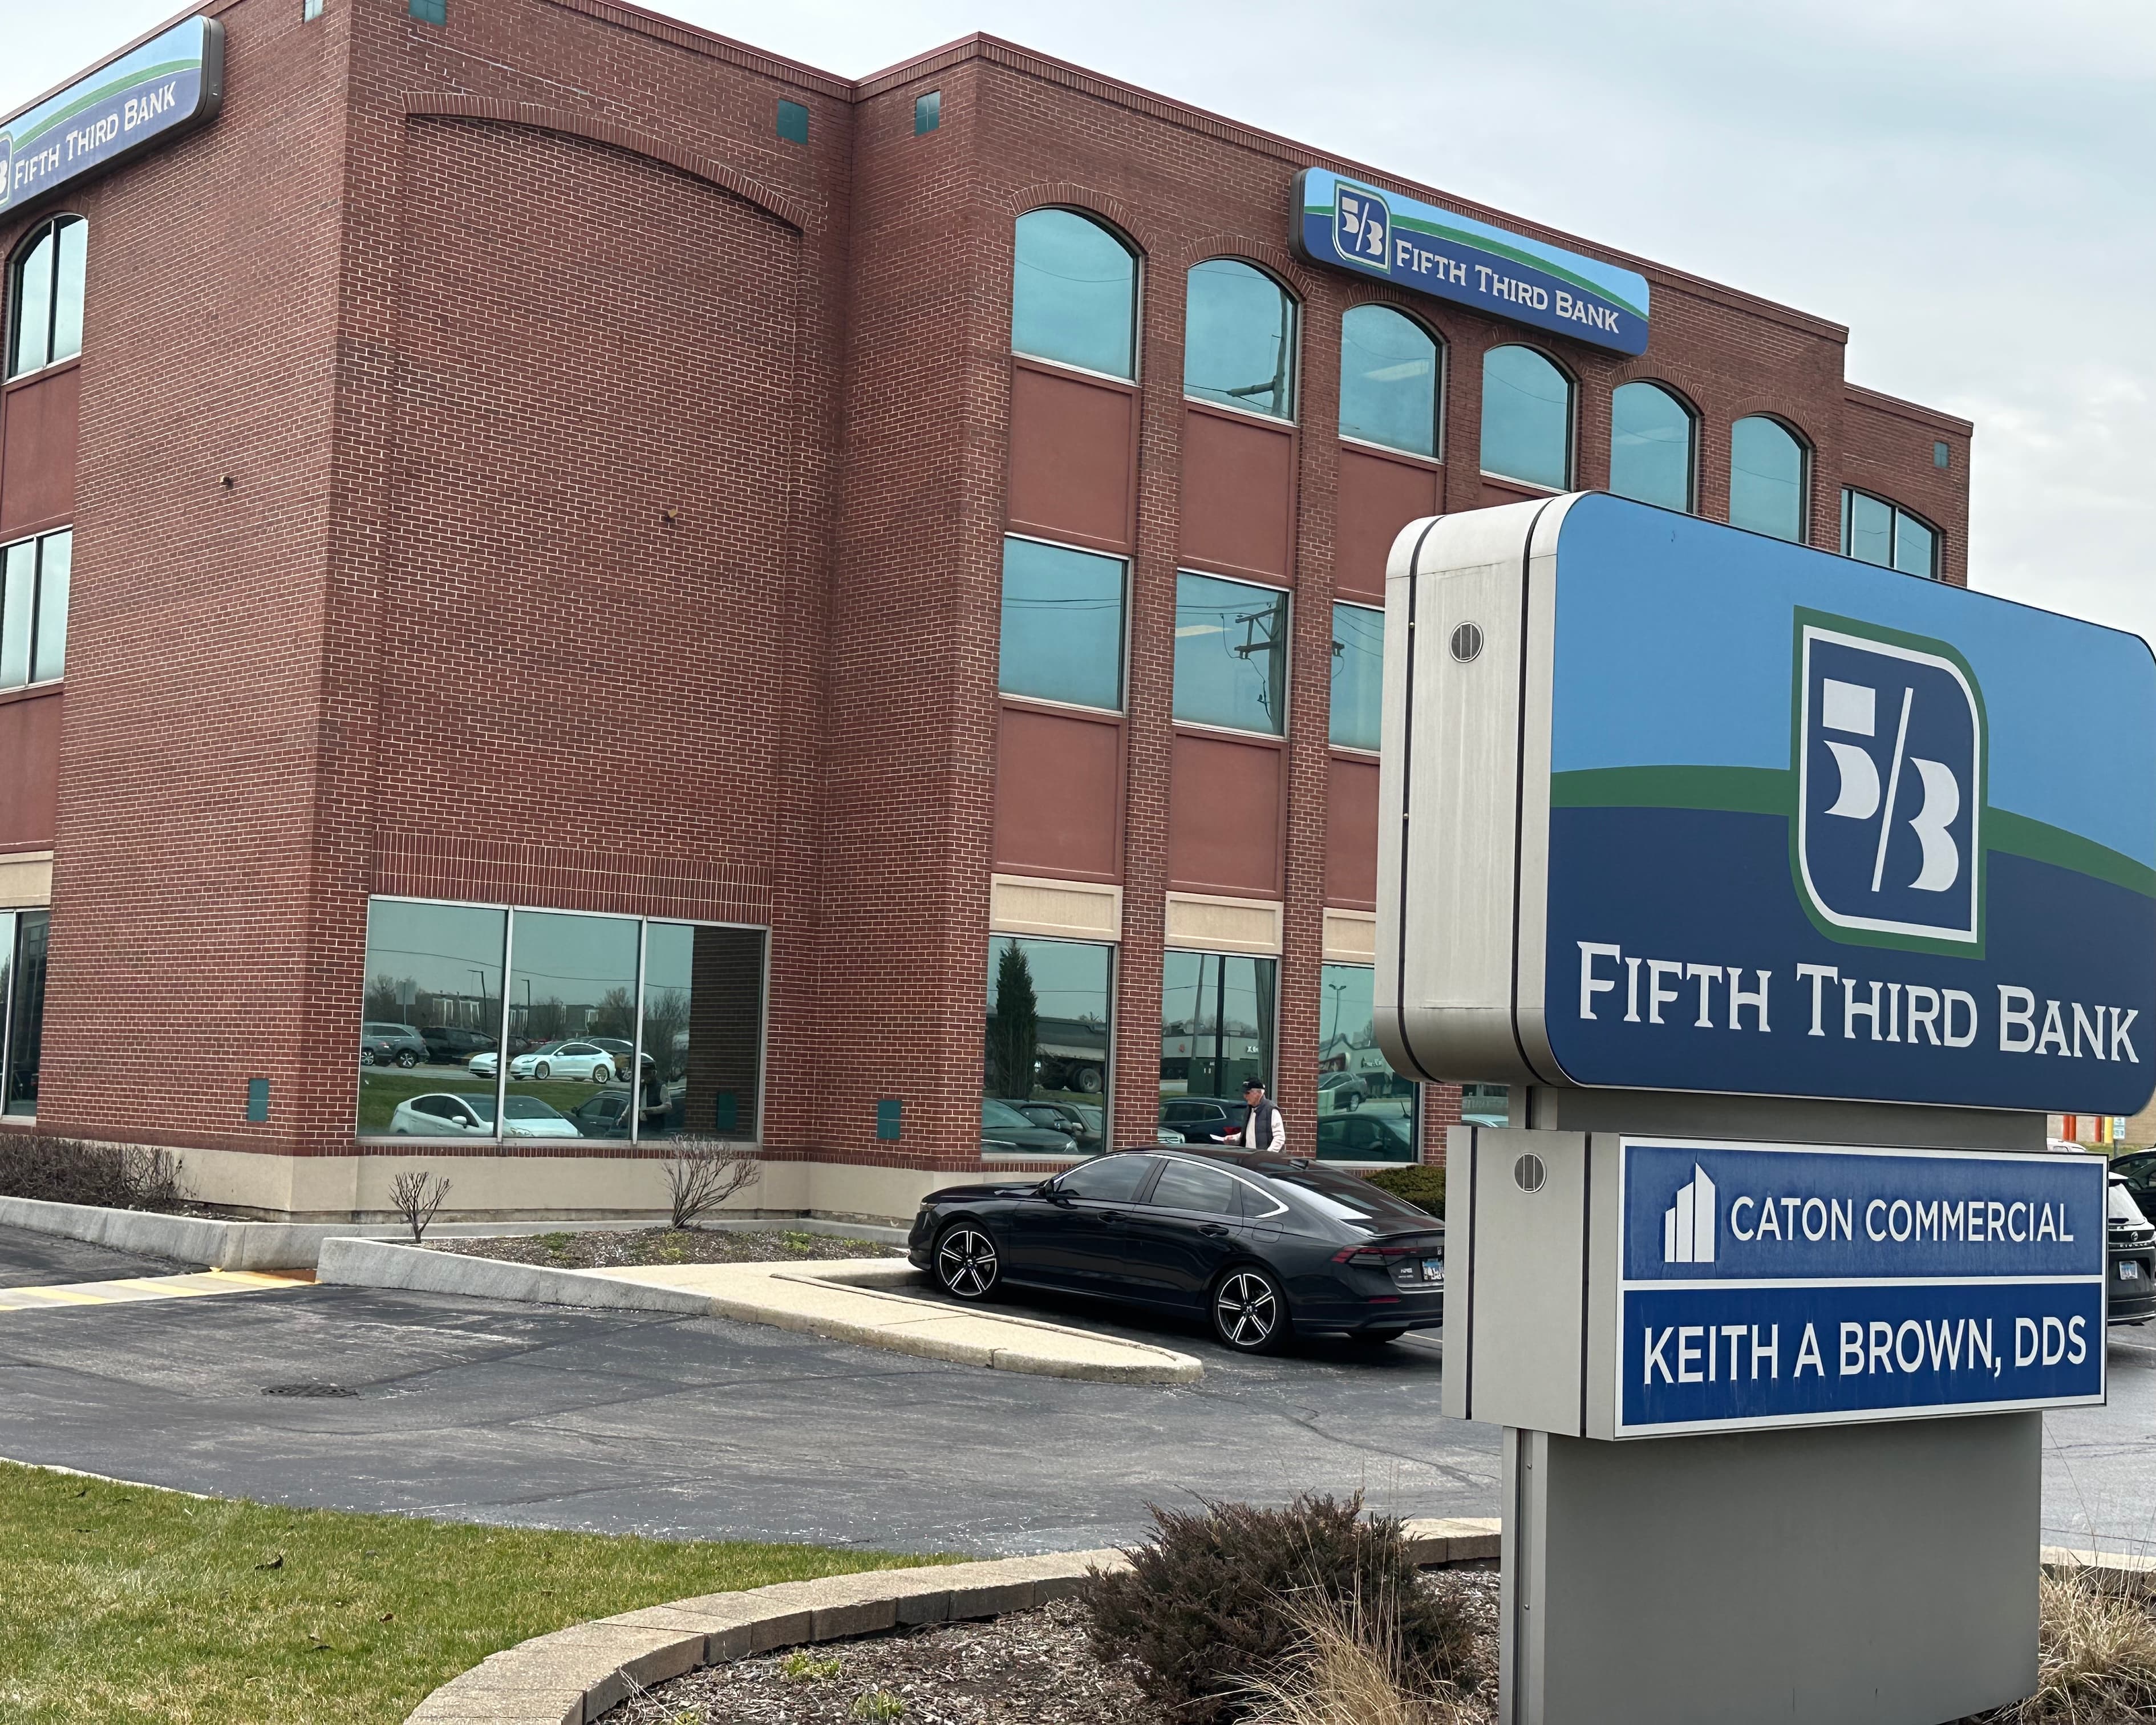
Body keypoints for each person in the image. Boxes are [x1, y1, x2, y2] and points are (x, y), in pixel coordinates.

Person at [1215, 1078, 1286, 1152]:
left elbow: (1279, 1138)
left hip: (1265, 1160)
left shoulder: (1271, 1109)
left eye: (1247, 1093)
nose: (1245, 1096)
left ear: (1259, 1093)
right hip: (1250, 1156)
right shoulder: (1249, 1109)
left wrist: (1268, 1155)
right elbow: (1249, 1133)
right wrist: (1234, 1138)